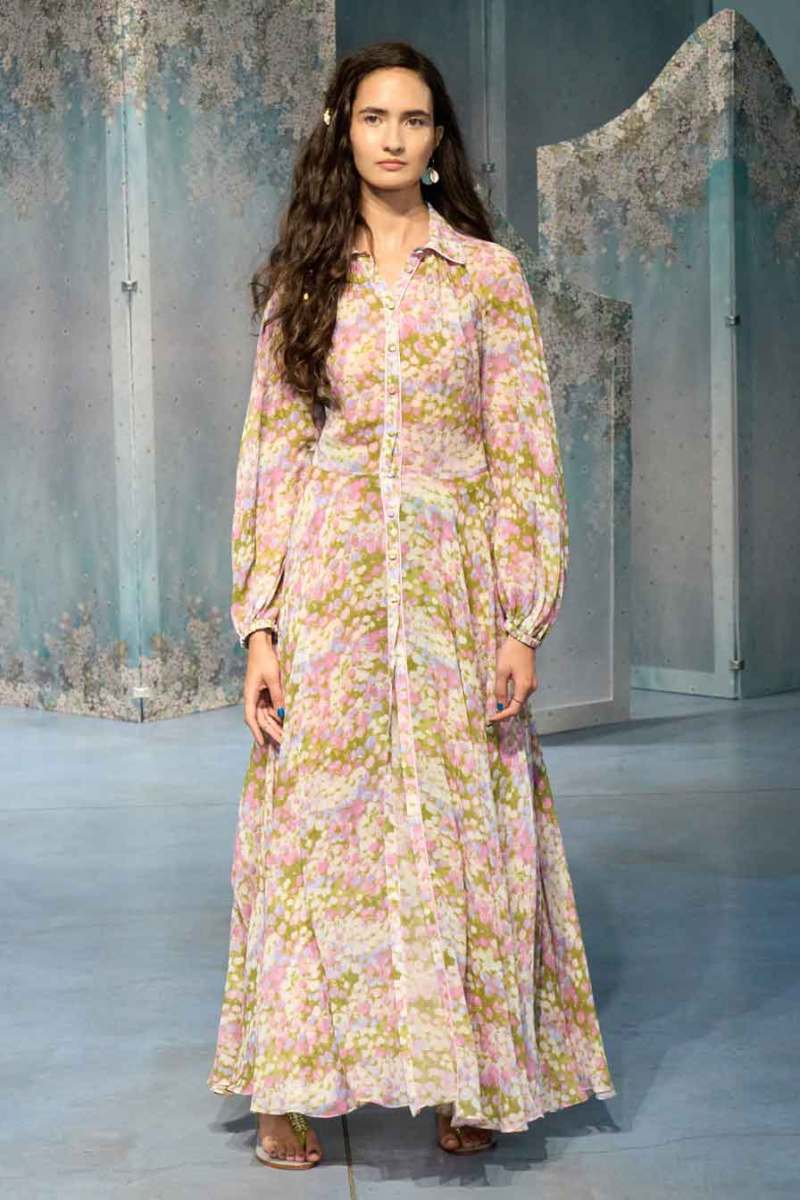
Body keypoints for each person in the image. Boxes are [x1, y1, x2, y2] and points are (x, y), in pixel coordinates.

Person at [207, 40, 615, 1171]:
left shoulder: (485, 277)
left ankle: (462, 1070)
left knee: (459, 824)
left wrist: (521, 621)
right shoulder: (305, 280)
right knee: (317, 826)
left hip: (449, 589)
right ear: (342, 130)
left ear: (439, 142)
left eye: (415, 120)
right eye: (374, 117)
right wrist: (260, 626)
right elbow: (271, 456)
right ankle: (290, 1081)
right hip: (330, 586)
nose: (393, 137)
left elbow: (523, 452)